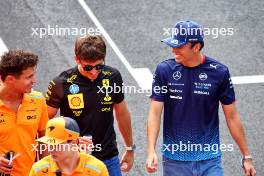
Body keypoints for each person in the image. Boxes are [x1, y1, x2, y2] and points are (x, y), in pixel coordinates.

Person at [145, 20, 256, 176]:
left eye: (179, 46)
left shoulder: (220, 72)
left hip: (210, 160)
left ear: (196, 47)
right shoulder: (164, 70)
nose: (173, 50)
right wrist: (151, 151)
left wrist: (247, 156)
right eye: (173, 45)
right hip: (175, 160)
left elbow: (232, 117)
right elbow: (155, 113)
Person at [45, 35, 135, 176]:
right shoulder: (61, 83)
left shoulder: (113, 77)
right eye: (88, 68)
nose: (93, 72)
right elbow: (43, 122)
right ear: (77, 59)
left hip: (108, 158)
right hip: (74, 160)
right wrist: (69, 141)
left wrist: (130, 148)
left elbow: (122, 114)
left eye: (98, 66)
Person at [0, 49, 49, 175]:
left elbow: (45, 139)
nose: (34, 81)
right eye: (29, 77)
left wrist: (46, 170)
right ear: (10, 79)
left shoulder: (38, 100)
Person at [29, 116, 109, 176]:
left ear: (74, 142)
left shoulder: (97, 169)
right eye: (49, 144)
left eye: (57, 145)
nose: (51, 149)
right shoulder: (38, 170)